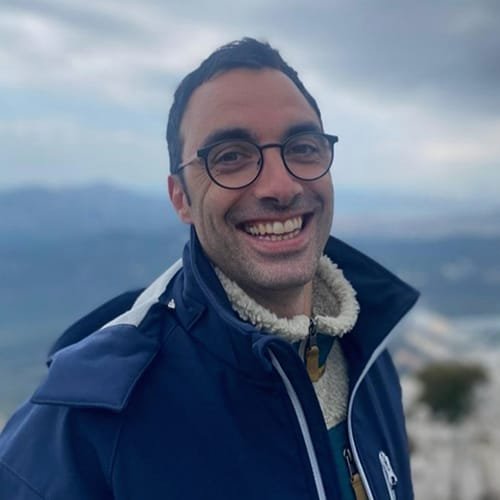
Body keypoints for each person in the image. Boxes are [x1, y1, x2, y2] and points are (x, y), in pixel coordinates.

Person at [0, 38, 418, 499]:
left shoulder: (367, 358)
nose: (281, 186)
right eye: (231, 156)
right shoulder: (88, 417)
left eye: (303, 147)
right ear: (180, 198)